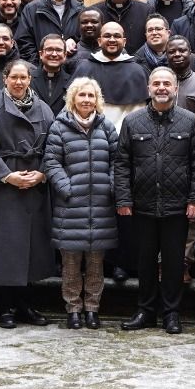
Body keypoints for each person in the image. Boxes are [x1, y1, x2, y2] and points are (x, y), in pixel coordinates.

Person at [116, 67, 195, 334]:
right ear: (148, 88)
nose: (161, 88)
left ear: (175, 88)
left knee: (172, 262)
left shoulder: (190, 120)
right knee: (145, 261)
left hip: (177, 206)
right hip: (142, 205)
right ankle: (145, 310)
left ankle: (171, 313)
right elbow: (122, 164)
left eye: (166, 84)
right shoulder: (132, 122)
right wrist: (124, 199)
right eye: (156, 83)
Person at [0, 60, 57, 328]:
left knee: (29, 250)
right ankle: (3, 308)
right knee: (3, 249)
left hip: (33, 186)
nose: (19, 82)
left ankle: (25, 305)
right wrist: (7, 175)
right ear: (5, 79)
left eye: (24, 77)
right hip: (2, 187)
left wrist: (42, 173)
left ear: (30, 80)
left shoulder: (43, 109)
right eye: (14, 77)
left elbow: (54, 146)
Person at [43, 78, 121, 329]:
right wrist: (67, 188)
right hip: (70, 206)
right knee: (71, 263)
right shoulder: (59, 127)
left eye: (90, 95)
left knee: (96, 263)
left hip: (101, 206)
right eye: (81, 95)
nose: (86, 100)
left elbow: (117, 161)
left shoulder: (106, 127)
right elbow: (52, 162)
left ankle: (92, 309)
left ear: (97, 99)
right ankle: (73, 309)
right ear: (73, 98)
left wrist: (110, 186)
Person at [72, 21, 150, 123]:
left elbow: (139, 111)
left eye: (117, 36)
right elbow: (73, 104)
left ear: (124, 41)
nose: (112, 39)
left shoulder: (137, 70)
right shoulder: (84, 67)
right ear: (99, 41)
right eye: (107, 36)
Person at [16, 0, 83, 59]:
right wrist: (39, 67)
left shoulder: (81, 10)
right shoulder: (32, 9)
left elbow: (87, 42)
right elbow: (24, 43)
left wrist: (74, 42)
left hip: (72, 69)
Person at [32, 34, 74, 112]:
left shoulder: (72, 83)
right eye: (49, 49)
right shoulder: (28, 80)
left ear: (65, 55)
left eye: (58, 50)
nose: (54, 54)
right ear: (41, 54)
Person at [166, 35, 195, 111]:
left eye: (182, 51)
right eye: (172, 52)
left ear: (190, 53)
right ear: (166, 55)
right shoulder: (160, 83)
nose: (177, 54)